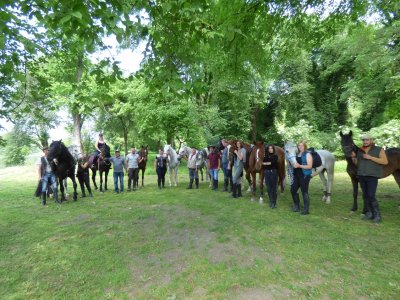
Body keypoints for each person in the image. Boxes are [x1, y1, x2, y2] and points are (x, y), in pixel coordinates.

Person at [351, 133, 388, 223]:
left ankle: (377, 215)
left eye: (367, 140)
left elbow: (385, 161)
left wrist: (371, 157)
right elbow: (358, 163)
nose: (365, 141)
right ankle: (369, 213)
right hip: (362, 176)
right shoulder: (360, 150)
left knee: (371, 195)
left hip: (372, 176)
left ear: (371, 140)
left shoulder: (379, 149)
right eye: (363, 140)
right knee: (365, 195)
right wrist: (353, 158)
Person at [291, 141, 313, 215]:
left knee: (304, 192)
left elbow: (309, 166)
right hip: (296, 175)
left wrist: (299, 166)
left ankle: (306, 210)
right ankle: (297, 206)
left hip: (304, 175)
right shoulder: (297, 154)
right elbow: (295, 163)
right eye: (299, 146)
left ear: (305, 146)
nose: (300, 147)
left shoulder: (307, 154)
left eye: (301, 145)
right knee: (293, 190)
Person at [263, 144, 279, 209]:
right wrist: (264, 162)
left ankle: (274, 203)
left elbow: (271, 163)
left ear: (273, 149)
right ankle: (271, 201)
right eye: (269, 148)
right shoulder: (266, 156)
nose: (270, 149)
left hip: (273, 172)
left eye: (271, 148)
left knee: (273, 188)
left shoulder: (275, 156)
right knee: (269, 188)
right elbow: (262, 161)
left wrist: (264, 163)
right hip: (267, 173)